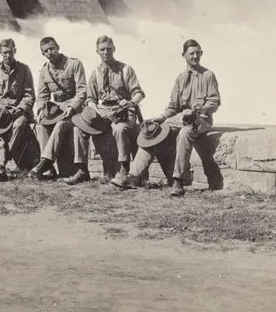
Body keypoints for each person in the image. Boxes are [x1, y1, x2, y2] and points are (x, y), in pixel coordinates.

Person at [123, 38, 220, 196]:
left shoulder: (208, 75)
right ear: (184, 55)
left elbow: (215, 102)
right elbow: (173, 107)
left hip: (201, 120)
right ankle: (134, 176)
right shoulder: (180, 78)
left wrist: (199, 109)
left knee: (185, 133)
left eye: (198, 53)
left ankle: (178, 181)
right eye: (192, 54)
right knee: (155, 130)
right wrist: (160, 118)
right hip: (181, 118)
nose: (195, 56)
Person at [72, 35, 145, 185]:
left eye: (109, 49)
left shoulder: (125, 70)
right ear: (97, 51)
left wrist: (130, 102)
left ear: (114, 49)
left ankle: (124, 169)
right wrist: (94, 109)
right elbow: (90, 98)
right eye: (102, 49)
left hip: (123, 110)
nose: (106, 52)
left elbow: (139, 93)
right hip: (103, 110)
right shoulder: (95, 73)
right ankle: (82, 170)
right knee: (78, 129)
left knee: (119, 129)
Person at [29, 37, 87, 181]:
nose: (50, 52)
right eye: (46, 51)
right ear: (43, 54)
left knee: (61, 125)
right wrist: (41, 110)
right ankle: (50, 169)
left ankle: (44, 162)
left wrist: (73, 107)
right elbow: (42, 96)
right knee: (41, 126)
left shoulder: (74, 64)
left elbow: (82, 91)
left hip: (75, 111)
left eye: (52, 48)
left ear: (58, 47)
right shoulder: (44, 70)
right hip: (57, 110)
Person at [0, 38, 37, 183]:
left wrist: (20, 109)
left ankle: (5, 159)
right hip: (0, 113)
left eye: (10, 52)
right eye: (5, 52)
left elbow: (29, 95)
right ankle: (0, 168)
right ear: (0, 53)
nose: (8, 55)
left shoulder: (24, 69)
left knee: (18, 126)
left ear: (15, 51)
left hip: (18, 111)